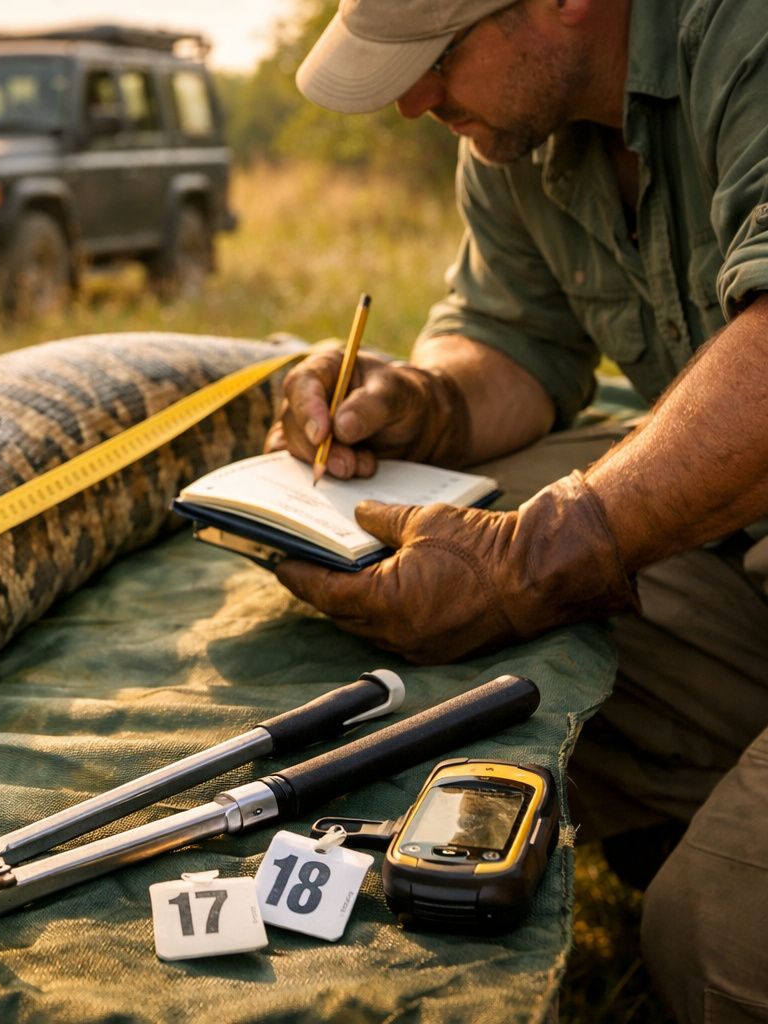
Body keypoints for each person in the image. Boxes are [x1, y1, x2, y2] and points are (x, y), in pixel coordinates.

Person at [270, 1, 768, 1020]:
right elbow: (511, 341)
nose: (413, 102)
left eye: (439, 55)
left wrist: (529, 561)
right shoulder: (517, 133)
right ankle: (701, 801)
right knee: (470, 520)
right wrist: (423, 400)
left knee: (715, 939)